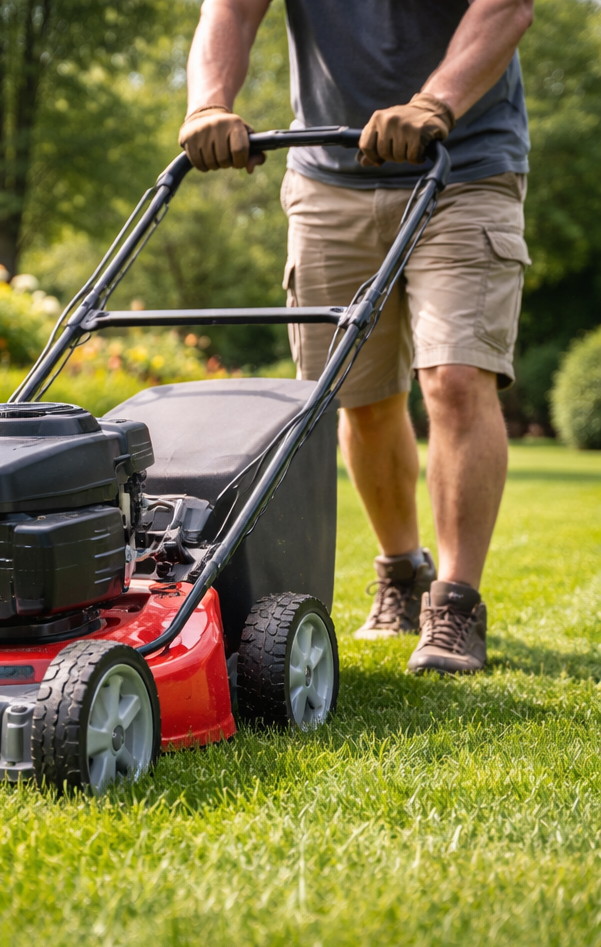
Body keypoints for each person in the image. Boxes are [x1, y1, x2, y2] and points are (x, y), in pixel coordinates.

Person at [179, 0, 535, 674]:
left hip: (464, 165)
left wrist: (435, 102)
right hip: (328, 172)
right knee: (359, 398)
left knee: (456, 377)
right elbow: (230, 9)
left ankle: (455, 604)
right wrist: (208, 106)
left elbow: (508, 8)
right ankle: (402, 574)